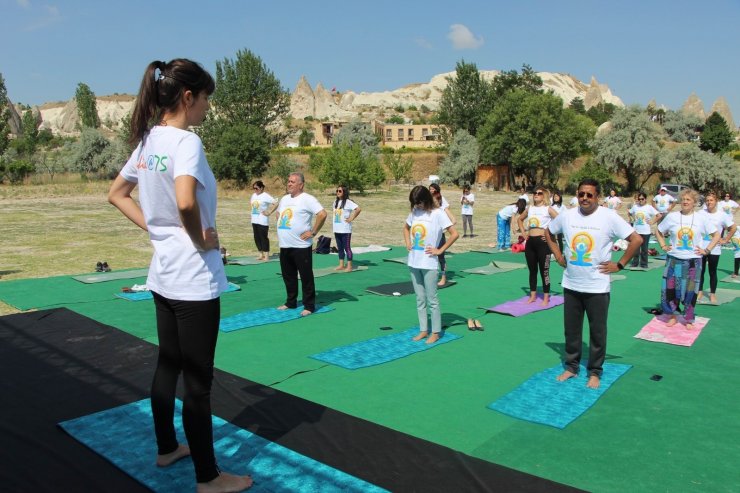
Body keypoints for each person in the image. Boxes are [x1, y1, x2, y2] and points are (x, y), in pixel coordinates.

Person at [107, 59, 252, 492]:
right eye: (206, 98)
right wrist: (201, 239)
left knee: (168, 365)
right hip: (191, 279)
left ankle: (168, 447)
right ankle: (209, 478)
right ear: (188, 98)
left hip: (163, 276)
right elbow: (186, 202)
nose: (208, 107)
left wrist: (158, 228)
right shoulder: (186, 141)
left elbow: (116, 194)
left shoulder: (149, 140)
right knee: (198, 382)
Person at [545, 179, 642, 389]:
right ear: (577, 195)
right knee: (571, 330)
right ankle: (571, 367)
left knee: (597, 331)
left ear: (597, 196)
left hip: (597, 286)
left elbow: (636, 240)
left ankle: (595, 371)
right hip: (571, 283)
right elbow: (548, 233)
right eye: (581, 194)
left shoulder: (609, 217)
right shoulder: (568, 215)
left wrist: (621, 264)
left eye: (589, 195)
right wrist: (558, 256)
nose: (585, 199)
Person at [655, 189, 720, 329]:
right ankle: (673, 315)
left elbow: (716, 235)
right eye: (683, 199)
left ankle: (688, 319)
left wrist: (707, 250)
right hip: (673, 259)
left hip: (693, 261)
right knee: (671, 289)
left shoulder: (701, 218)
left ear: (694, 203)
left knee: (690, 291)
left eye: (688, 199)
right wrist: (663, 245)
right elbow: (659, 231)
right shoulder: (672, 217)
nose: (685, 202)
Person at [404, 186, 459, 344]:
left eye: (419, 202)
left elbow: (454, 234)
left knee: (432, 299)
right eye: (414, 202)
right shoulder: (414, 212)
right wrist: (408, 242)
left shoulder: (438, 213)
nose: (417, 205)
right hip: (414, 262)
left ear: (426, 199)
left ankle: (435, 332)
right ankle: (423, 330)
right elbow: (406, 228)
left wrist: (440, 250)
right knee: (420, 298)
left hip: (429, 264)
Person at [276, 172, 327, 316]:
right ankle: (290, 302)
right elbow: (279, 213)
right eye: (288, 181)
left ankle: (309, 306)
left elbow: (322, 214)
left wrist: (313, 232)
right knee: (288, 275)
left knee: (305, 276)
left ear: (301, 185)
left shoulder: (308, 199)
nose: (289, 184)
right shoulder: (285, 199)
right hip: (285, 245)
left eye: (292, 182)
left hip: (301, 246)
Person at [517, 187, 558, 305]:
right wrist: (524, 234)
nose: (536, 195)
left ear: (544, 196)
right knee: (532, 271)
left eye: (539, 193)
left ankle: (546, 298)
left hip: (543, 242)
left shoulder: (548, 209)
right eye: (535, 193)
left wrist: (551, 234)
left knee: (544, 271)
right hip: (530, 242)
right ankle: (533, 295)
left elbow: (560, 220)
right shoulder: (530, 208)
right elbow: (520, 219)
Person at [697, 193, 736, 303]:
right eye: (707, 200)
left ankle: (712, 293)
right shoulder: (700, 213)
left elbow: (732, 228)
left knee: (712, 271)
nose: (709, 202)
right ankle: (699, 291)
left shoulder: (722, 215)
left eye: (711, 200)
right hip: (701, 247)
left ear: (716, 202)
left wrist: (726, 239)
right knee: (700, 271)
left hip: (714, 248)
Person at [429, 183, 455, 286]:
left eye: (432, 189)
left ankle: (443, 277)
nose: (433, 202)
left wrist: (444, 228)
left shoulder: (441, 209)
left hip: (439, 237)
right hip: (429, 236)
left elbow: (453, 220)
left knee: (440, 257)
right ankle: (430, 277)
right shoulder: (428, 209)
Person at [332, 185, 361, 272]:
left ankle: (349, 266)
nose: (338, 192)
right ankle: (341, 265)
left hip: (345, 230)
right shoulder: (335, 202)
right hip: (337, 229)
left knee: (347, 248)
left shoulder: (348, 202)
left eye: (340, 191)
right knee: (340, 248)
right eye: (337, 191)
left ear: (344, 192)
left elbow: (358, 209)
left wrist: (351, 218)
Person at [628, 192, 659, 268]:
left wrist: (652, 222)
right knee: (636, 248)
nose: (640, 200)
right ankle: (635, 263)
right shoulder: (635, 207)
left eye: (642, 199)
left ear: (645, 199)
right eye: (639, 199)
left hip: (645, 231)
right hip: (636, 231)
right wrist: (632, 219)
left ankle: (644, 264)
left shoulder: (649, 207)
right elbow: (629, 212)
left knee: (644, 249)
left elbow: (658, 215)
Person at [249, 180, 276, 261]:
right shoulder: (253, 195)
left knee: (263, 237)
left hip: (262, 220)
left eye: (256, 188)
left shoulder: (265, 196)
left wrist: (269, 212)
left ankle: (266, 255)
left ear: (261, 188)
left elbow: (276, 203)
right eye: (253, 188)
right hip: (254, 220)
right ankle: (261, 254)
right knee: (256, 237)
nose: (255, 190)